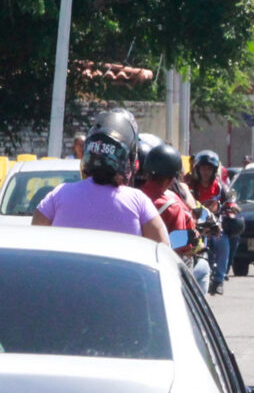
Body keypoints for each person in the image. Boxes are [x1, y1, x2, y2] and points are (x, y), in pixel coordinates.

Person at [32, 110, 169, 244]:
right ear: (128, 161)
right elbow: (163, 251)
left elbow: (34, 242)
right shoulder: (139, 202)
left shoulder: (59, 194)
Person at [140, 143, 212, 292]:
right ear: (169, 180)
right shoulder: (172, 206)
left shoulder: (134, 196)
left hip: (138, 265)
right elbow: (180, 246)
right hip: (165, 267)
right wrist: (196, 239)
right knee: (203, 269)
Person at [185, 150, 237, 295]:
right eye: (203, 168)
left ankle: (219, 279)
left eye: (209, 169)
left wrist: (230, 208)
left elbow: (231, 202)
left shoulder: (220, 186)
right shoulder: (191, 186)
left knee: (222, 242)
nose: (206, 172)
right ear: (197, 169)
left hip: (215, 226)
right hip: (196, 225)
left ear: (214, 170)